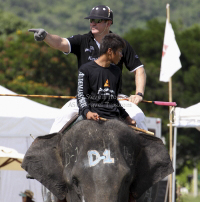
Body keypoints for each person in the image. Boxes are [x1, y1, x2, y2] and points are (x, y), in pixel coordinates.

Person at [29, 5, 147, 132]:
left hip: (114, 98)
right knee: (62, 117)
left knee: (139, 117)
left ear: (108, 23)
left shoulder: (120, 44)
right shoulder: (82, 40)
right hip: (86, 98)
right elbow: (60, 43)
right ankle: (50, 149)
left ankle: (148, 150)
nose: (92, 24)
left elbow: (139, 70)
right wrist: (46, 36)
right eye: (91, 21)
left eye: (97, 21)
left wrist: (139, 94)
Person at [77, 33, 135, 126]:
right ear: (110, 51)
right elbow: (81, 96)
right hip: (93, 118)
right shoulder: (85, 69)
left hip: (114, 120)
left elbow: (114, 100)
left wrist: (127, 118)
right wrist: (87, 112)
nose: (121, 55)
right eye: (119, 51)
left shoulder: (117, 71)